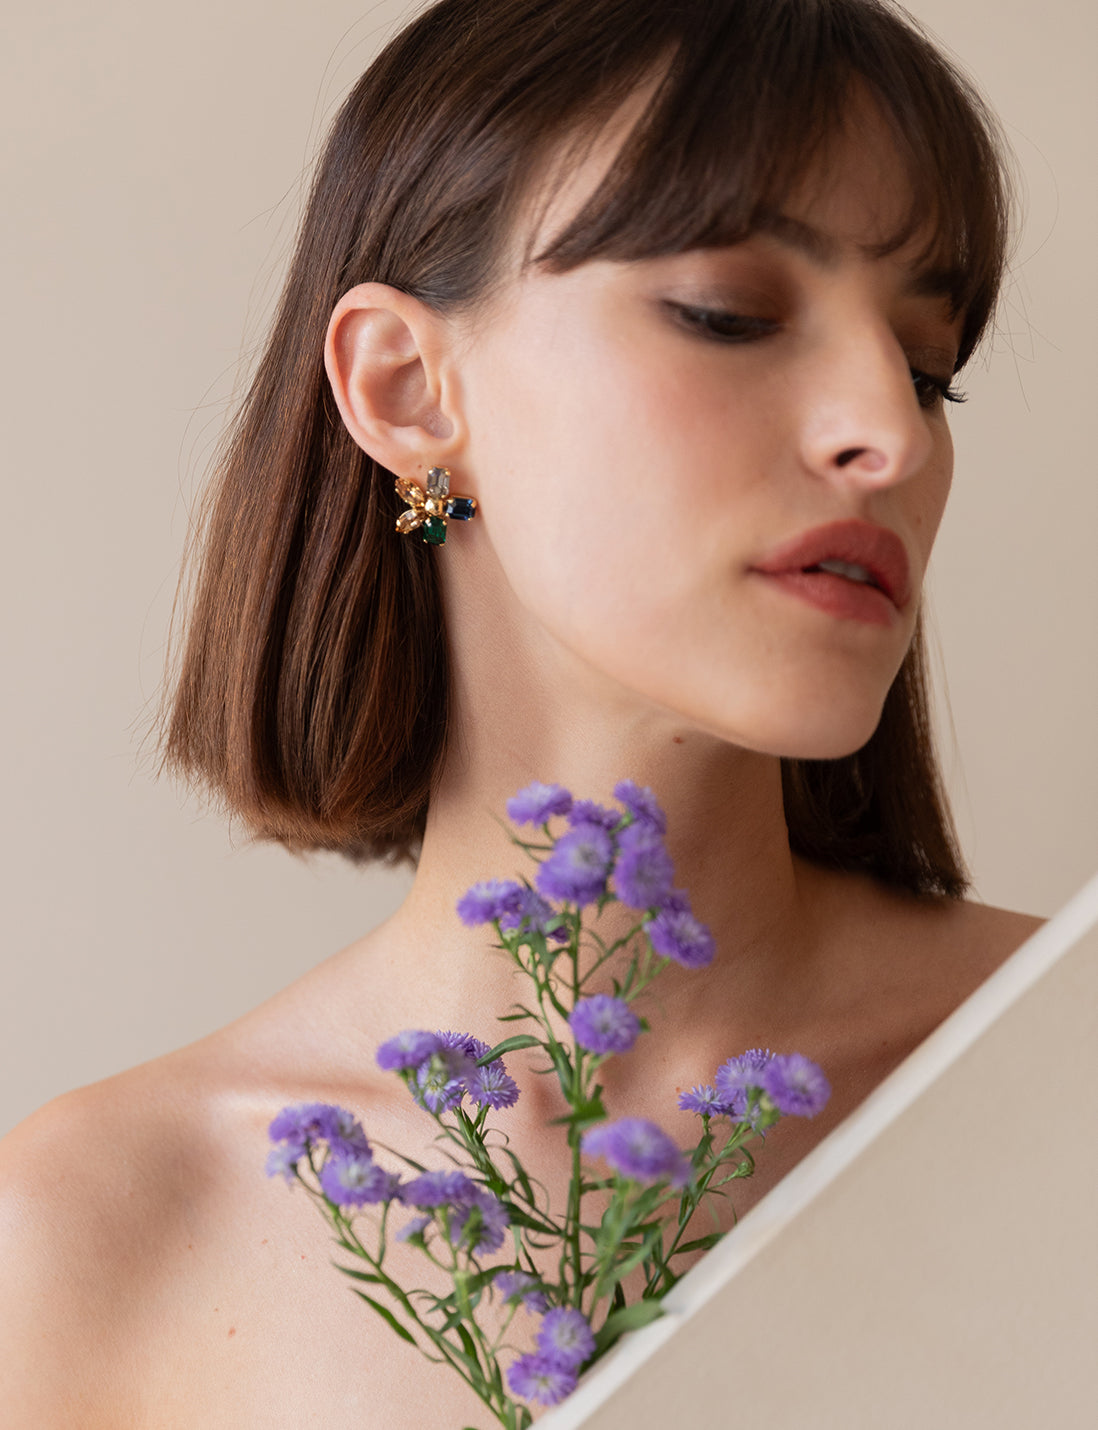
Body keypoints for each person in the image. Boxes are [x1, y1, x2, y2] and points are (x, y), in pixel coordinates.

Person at [0, 0, 1045, 1423]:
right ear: (405, 388)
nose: (893, 431)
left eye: (929, 369)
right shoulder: (91, 1239)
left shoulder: (1063, 1065)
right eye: (730, 315)